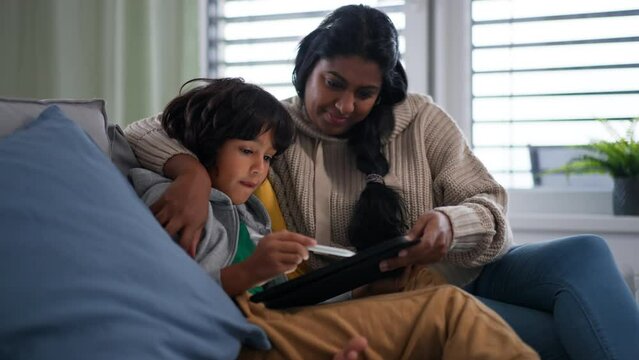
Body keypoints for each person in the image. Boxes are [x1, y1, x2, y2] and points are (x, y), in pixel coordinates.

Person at [124, 5, 639, 360]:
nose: (346, 105)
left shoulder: (421, 120)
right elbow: (143, 130)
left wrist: (449, 223)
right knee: (574, 330)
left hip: (472, 268)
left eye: (365, 92)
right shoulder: (271, 131)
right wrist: (189, 173)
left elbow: (493, 213)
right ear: (307, 68)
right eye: (333, 84)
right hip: (398, 294)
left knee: (587, 253)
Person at [128, 77, 537, 359]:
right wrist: (253, 268)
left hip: (280, 313)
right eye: (247, 151)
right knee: (451, 310)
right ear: (207, 140)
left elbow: (276, 294)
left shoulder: (246, 209)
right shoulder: (178, 201)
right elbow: (180, 300)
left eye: (268, 158)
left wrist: (352, 287)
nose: (260, 169)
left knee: (408, 278)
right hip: (244, 330)